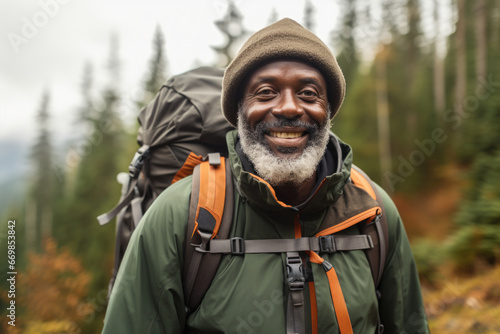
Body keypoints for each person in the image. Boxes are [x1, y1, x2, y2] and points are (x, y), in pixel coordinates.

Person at [102, 18, 429, 334]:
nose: (289, 108)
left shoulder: (372, 212)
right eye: (267, 92)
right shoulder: (178, 215)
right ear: (239, 110)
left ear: (328, 111)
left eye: (309, 94)